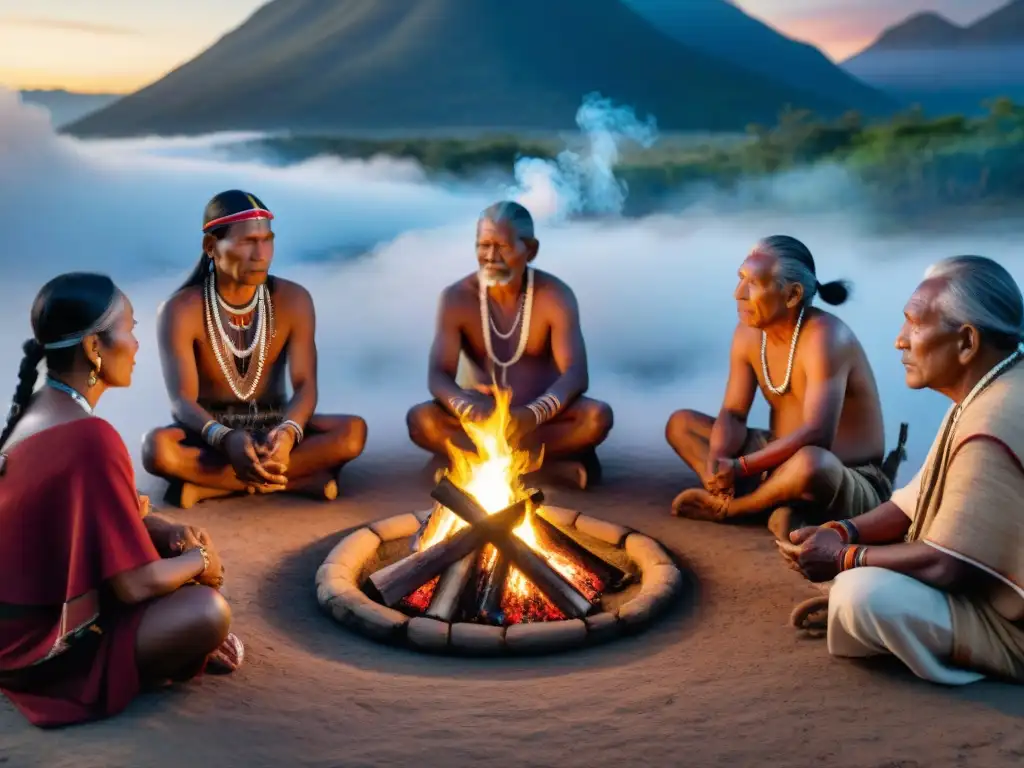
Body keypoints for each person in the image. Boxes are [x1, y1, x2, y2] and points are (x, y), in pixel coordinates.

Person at [0, 273, 242, 729]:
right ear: (95, 348)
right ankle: (135, 659)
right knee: (207, 611)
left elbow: (99, 517)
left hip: (12, 627)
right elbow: (134, 586)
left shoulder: (37, 410)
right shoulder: (90, 437)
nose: (136, 344)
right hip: (34, 647)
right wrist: (201, 560)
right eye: (129, 328)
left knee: (172, 558)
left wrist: (169, 532)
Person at [781, 256, 1024, 685]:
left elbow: (945, 565)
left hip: (1013, 628)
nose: (900, 341)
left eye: (914, 324)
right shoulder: (989, 390)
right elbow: (911, 502)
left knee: (863, 596)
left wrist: (842, 560)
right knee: (860, 582)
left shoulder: (993, 418)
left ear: (967, 342)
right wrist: (842, 531)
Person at [666, 235, 906, 537]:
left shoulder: (826, 337)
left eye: (752, 283)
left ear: (792, 295)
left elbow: (817, 434)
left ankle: (737, 509)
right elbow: (733, 413)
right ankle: (744, 498)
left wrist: (740, 467)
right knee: (681, 425)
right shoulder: (748, 333)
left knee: (811, 464)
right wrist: (718, 461)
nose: (737, 293)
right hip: (778, 460)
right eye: (740, 279)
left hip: (844, 474)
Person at [142, 190, 367, 508]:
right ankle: (300, 480)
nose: (261, 254)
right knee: (157, 449)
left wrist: (287, 434)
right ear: (211, 247)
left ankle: (211, 487)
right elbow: (182, 401)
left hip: (274, 429)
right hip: (211, 436)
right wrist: (226, 437)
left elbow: (305, 386)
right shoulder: (180, 309)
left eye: (267, 240)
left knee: (352, 433)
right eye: (248, 242)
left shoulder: (294, 299)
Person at [405, 201, 613, 489]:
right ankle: (540, 470)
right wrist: (465, 406)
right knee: (421, 420)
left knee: (595, 418)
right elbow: (438, 374)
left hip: (541, 420)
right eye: (483, 245)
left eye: (502, 246)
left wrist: (532, 414)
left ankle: (468, 465)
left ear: (531, 250)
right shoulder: (457, 297)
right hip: (482, 417)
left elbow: (576, 374)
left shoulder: (554, 296)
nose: (490, 256)